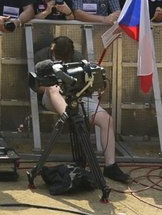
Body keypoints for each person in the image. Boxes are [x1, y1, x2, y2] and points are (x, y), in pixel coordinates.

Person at [39, 35, 131, 183]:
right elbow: (37, 86)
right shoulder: (42, 57)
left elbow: (87, 84)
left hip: (77, 96)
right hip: (51, 96)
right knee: (52, 88)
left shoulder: (78, 58)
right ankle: (66, 115)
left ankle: (110, 166)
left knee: (106, 120)